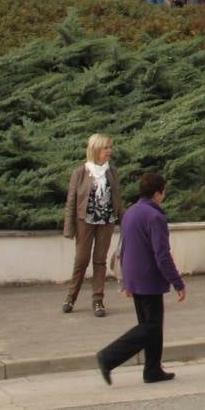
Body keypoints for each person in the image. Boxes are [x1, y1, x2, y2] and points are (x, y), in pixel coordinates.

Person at [95, 172, 185, 386]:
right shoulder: (155, 217)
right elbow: (161, 254)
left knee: (148, 325)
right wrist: (177, 282)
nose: (164, 195)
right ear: (157, 193)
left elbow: (123, 247)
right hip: (149, 278)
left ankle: (152, 369)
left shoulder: (131, 212)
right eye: (163, 191)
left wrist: (126, 280)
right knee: (151, 327)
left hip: (134, 276)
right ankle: (108, 357)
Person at [62, 134, 124, 317]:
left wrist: (126, 218)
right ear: (95, 150)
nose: (109, 151)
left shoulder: (111, 172)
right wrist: (69, 228)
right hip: (85, 222)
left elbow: (117, 200)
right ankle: (71, 297)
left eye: (109, 148)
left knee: (100, 260)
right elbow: (71, 202)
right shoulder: (80, 172)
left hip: (106, 222)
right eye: (106, 148)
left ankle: (98, 300)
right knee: (81, 260)